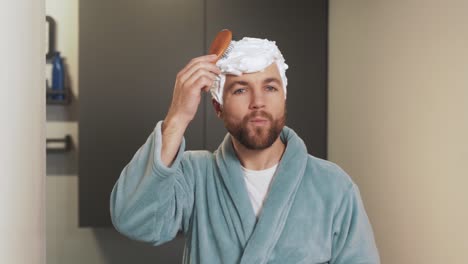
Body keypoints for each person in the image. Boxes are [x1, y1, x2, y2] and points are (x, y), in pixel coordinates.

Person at [110, 37, 380, 264]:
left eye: (270, 87)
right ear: (218, 107)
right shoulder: (194, 176)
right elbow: (133, 220)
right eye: (240, 90)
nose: (258, 102)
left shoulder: (332, 186)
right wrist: (178, 116)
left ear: (283, 98)